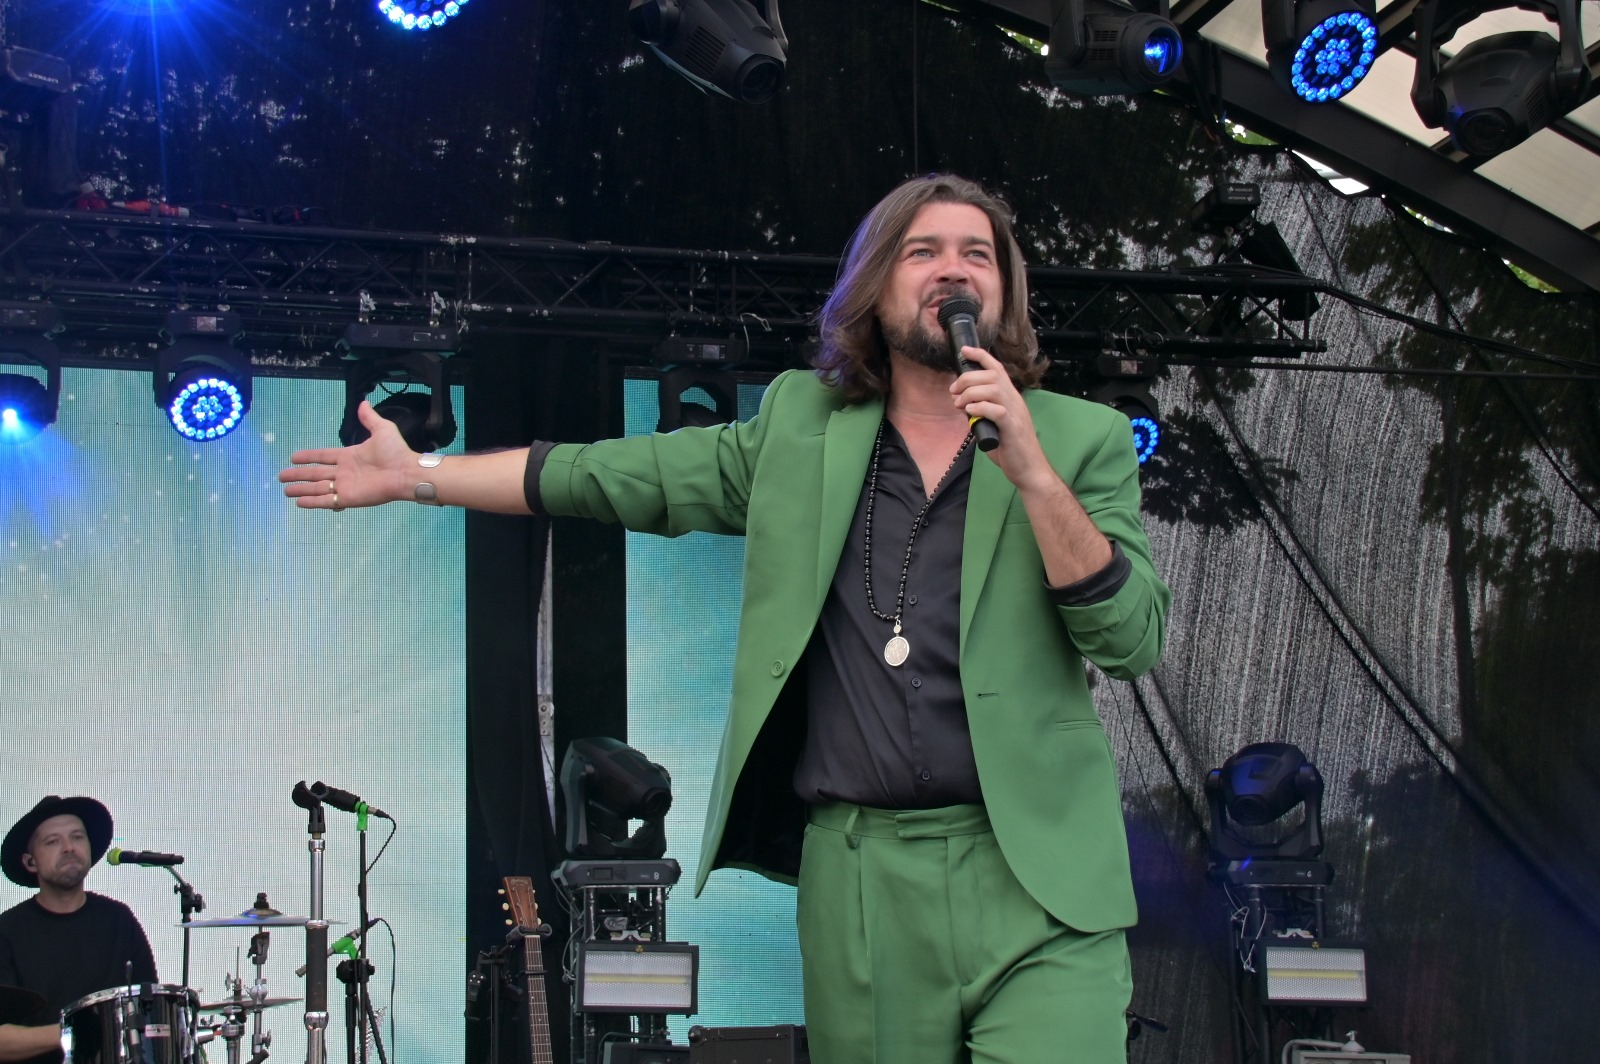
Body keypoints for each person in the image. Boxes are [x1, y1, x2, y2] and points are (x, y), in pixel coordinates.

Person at [281, 173, 1169, 1063]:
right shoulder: (800, 427)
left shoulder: (1080, 439)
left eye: (978, 254)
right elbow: (613, 475)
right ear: (875, 287)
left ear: (1004, 291)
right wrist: (419, 476)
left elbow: (1129, 640)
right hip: (862, 875)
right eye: (922, 251)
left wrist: (1035, 475)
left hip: (1039, 877)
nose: (953, 270)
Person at [0, 796, 158, 1064]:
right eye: (53, 841)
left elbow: (151, 1009)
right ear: (30, 862)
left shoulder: (119, 919)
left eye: (77, 837)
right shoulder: (7, 931)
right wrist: (71, 1032)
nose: (69, 848)